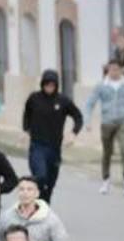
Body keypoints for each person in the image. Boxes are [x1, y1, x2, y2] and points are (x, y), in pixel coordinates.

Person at [21, 69, 83, 203]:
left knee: (50, 183)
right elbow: (27, 114)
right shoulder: (34, 98)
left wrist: (73, 133)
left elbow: (78, 117)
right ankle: (35, 202)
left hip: (54, 148)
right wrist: (26, 131)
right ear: (42, 84)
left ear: (56, 85)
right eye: (47, 84)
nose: (49, 87)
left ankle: (44, 205)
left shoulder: (63, 101)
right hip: (37, 146)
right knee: (40, 176)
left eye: (52, 85)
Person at [83, 59, 124, 195]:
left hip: (123, 121)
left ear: (121, 70)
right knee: (107, 152)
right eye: (111, 69)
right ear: (108, 70)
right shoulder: (102, 85)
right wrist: (88, 121)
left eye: (116, 69)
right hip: (107, 121)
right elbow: (90, 103)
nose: (113, 72)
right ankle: (105, 179)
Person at [0, 176, 69, 241]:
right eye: (21, 189)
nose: (25, 193)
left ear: (37, 193)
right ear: (17, 193)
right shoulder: (7, 216)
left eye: (29, 189)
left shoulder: (49, 218)